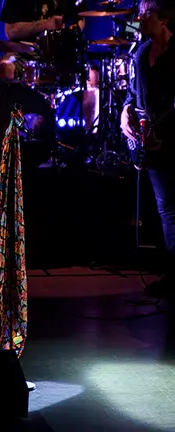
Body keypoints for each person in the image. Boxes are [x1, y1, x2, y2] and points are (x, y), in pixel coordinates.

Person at [120, 0, 175, 295]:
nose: (139, 19)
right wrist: (124, 112)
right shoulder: (141, 53)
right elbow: (133, 93)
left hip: (172, 139)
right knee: (166, 208)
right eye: (139, 14)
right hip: (151, 143)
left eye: (146, 14)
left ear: (164, 19)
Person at [0, 0, 86, 82]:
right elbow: (9, 31)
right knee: (5, 69)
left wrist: (71, 31)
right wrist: (45, 24)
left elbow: (80, 19)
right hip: (24, 51)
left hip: (59, 54)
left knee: (87, 77)